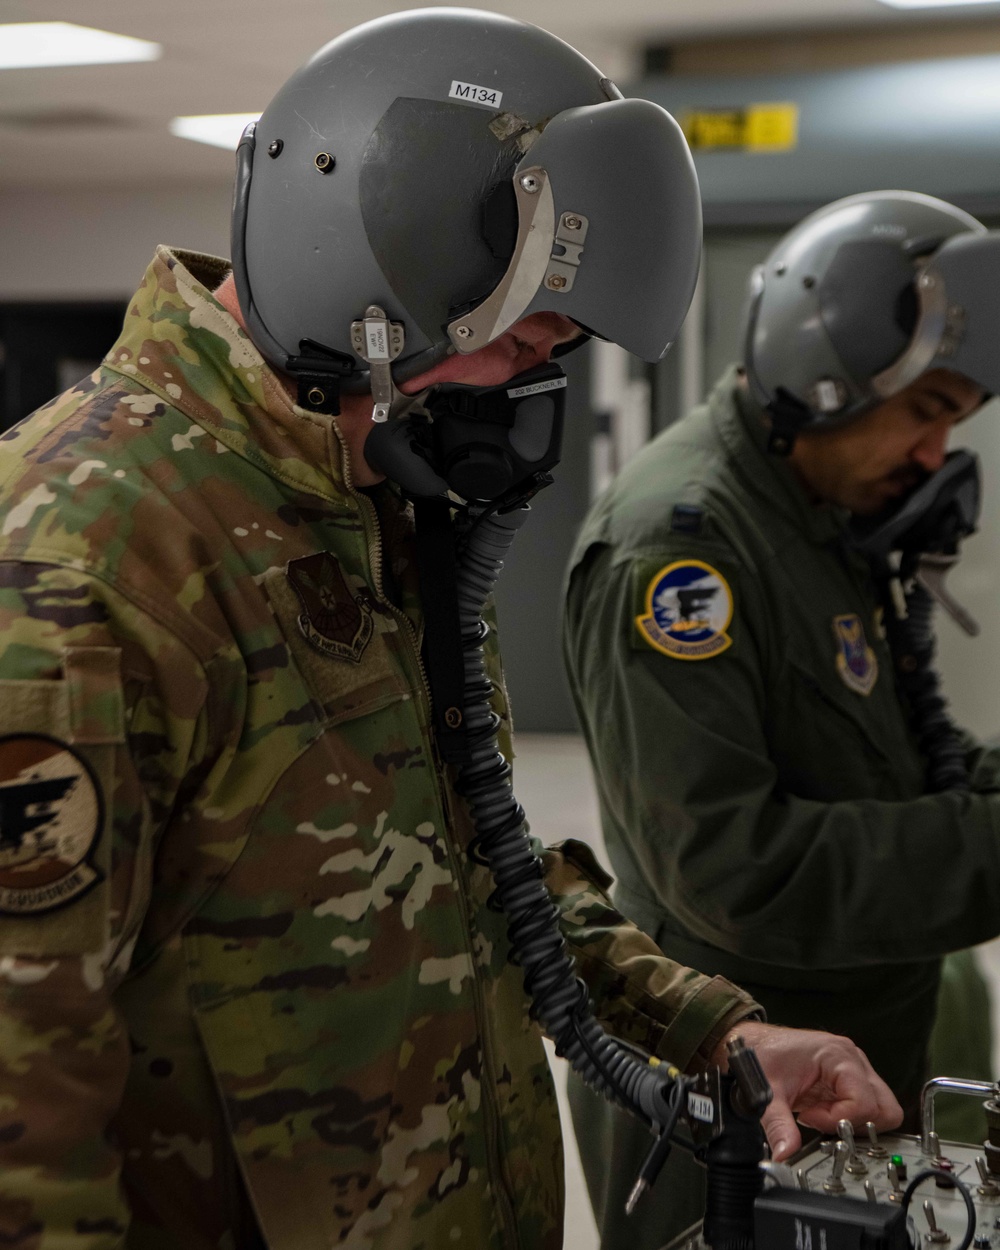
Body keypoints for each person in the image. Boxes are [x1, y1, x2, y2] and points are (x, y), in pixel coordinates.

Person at [0, 18, 900, 1249]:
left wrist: (709, 1027)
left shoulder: (365, 502)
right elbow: (20, 1109)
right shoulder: (86, 550)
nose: (533, 393)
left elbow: (465, 864)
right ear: (377, 285)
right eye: (520, 343)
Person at [564, 189, 1000, 1250]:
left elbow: (888, 756)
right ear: (823, 378)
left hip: (865, 1040)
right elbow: (729, 868)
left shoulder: (818, 515)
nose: (938, 452)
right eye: (924, 407)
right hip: (737, 1087)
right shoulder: (681, 551)